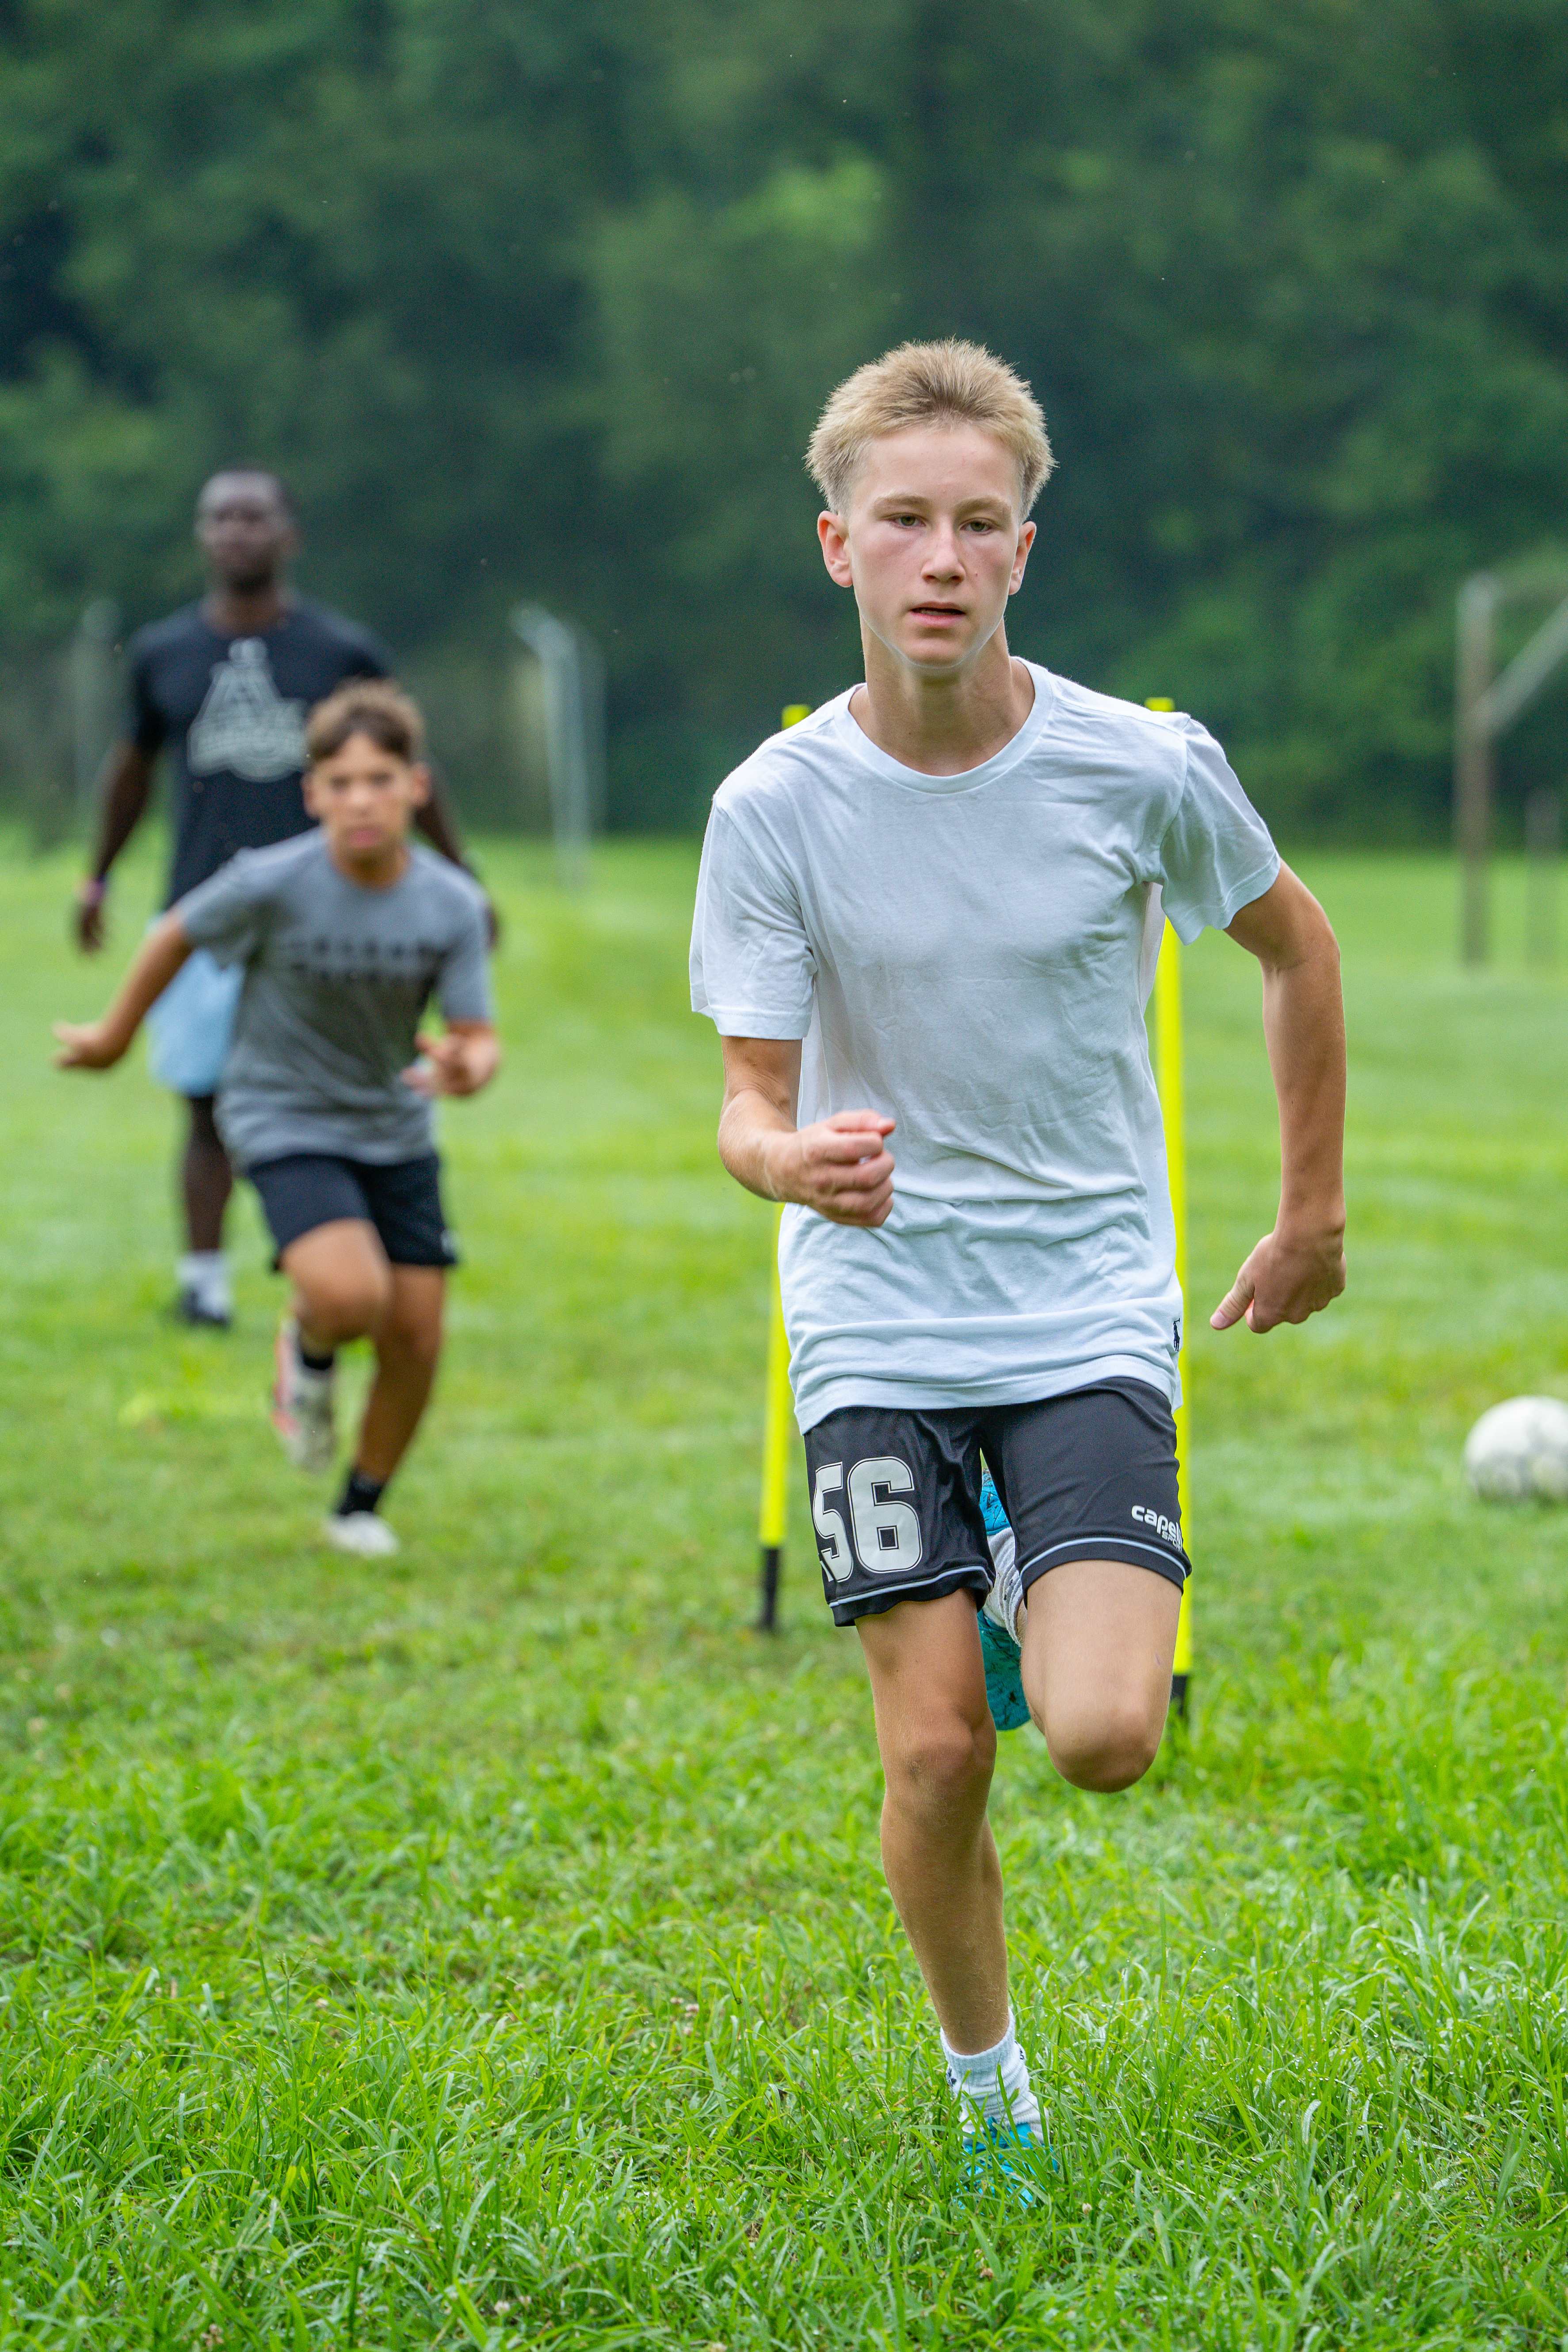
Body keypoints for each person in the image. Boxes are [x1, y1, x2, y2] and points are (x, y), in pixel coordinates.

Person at [690, 340, 1346, 2191]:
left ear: (1022, 551)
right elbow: (741, 1102)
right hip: (876, 1321)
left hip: (1078, 1314)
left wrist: (1308, 1217)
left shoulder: (1139, 766)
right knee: (938, 1759)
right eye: (902, 521)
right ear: (837, 545)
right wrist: (785, 1158)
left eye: (979, 523)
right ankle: (991, 2097)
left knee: (1105, 1738)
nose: (940, 558)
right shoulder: (772, 808)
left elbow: (1297, 954)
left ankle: (1007, 1602)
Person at [56, 680, 498, 1559]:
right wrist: (111, 1037)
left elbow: (477, 1037)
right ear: (312, 795)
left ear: (416, 786)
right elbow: (175, 932)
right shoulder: (271, 881)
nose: (360, 799)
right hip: (280, 1111)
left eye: (380, 779)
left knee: (415, 1332)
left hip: (394, 1124)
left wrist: (465, 1066)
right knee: (349, 1293)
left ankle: (358, 1504)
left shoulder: (452, 903)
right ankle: (308, 1338)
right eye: (339, 782)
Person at [73, 468, 477, 1329]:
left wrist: (459, 868)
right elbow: (132, 770)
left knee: (335, 1089)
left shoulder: (340, 652)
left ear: (288, 533)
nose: (236, 531)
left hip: (323, 911)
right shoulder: (163, 652)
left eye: (254, 516)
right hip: (206, 908)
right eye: (219, 517)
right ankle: (205, 1279)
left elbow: (411, 766)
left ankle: (343, 1247)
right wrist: (96, 873)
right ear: (201, 534)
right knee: (205, 1102)